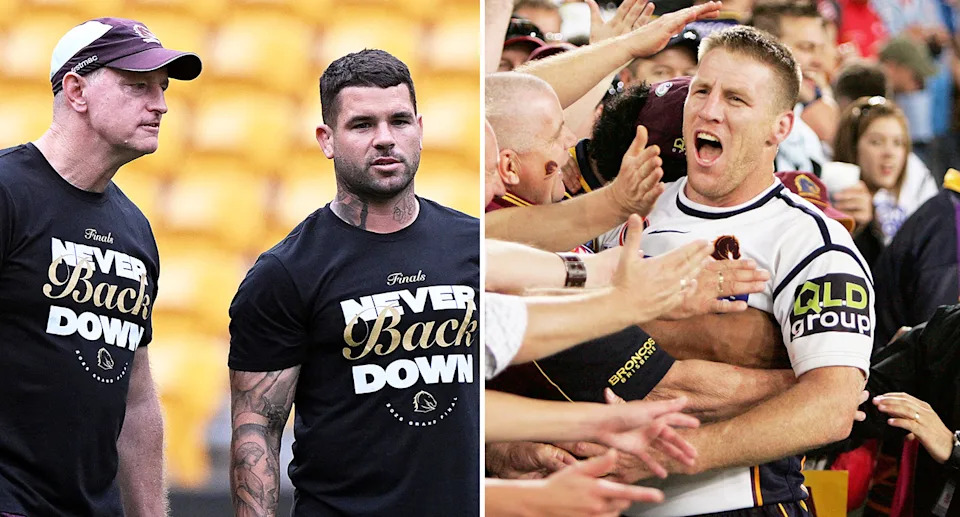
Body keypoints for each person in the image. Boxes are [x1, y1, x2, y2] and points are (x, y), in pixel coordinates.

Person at [577, 26, 871, 516]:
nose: (710, 110)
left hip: (740, 503)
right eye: (701, 91)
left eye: (736, 98)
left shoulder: (810, 241)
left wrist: (670, 458)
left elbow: (832, 408)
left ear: (781, 128)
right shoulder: (629, 211)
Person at [228, 50, 479, 516]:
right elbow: (256, 429)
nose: (385, 139)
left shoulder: (474, 244)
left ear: (420, 128)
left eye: (399, 121)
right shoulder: (284, 273)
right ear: (326, 139)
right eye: (363, 125)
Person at [0, 17, 201, 516]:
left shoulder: (134, 230)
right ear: (76, 90)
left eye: (162, 88)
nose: (160, 104)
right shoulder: (7, 193)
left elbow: (134, 399)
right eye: (138, 86)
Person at [833, 95, 936, 268]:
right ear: (852, 146)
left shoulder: (895, 210)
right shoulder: (835, 205)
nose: (889, 153)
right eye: (876, 142)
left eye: (898, 143)